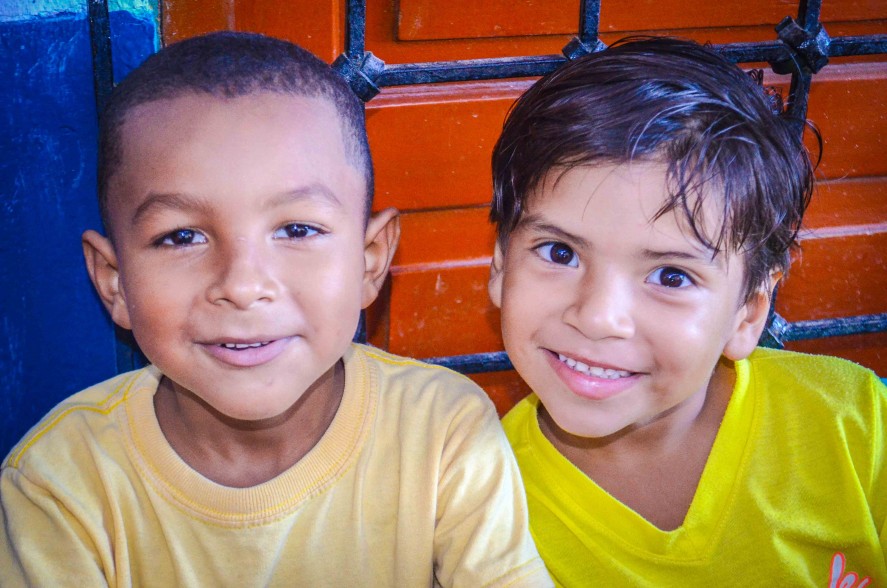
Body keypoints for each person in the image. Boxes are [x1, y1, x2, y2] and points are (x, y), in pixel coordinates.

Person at [0, 32, 552, 587]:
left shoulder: (442, 432)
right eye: (182, 236)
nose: (242, 285)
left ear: (369, 261)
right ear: (115, 281)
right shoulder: (61, 482)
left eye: (296, 229)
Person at [487, 37, 886, 585]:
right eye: (560, 253)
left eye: (671, 276)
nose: (599, 317)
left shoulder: (855, 425)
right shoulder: (482, 504)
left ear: (747, 313)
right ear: (500, 267)